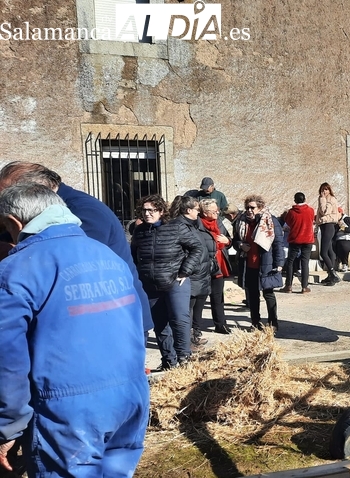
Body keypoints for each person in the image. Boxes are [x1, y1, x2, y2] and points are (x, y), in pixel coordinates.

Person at [0, 183, 149, 476]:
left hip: (69, 412)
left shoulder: (16, 269)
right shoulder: (107, 256)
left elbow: (7, 360)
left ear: (15, 223)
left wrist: (8, 427)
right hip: (131, 398)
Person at [0, 161, 154, 334]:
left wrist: (12, 253)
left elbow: (73, 266)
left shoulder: (84, 210)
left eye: (6, 197)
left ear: (32, 191)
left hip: (114, 317)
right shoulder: (38, 211)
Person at [132, 194, 204, 371]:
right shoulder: (140, 232)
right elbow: (133, 255)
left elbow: (197, 248)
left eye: (152, 210)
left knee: (180, 319)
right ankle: (169, 361)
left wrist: (185, 271)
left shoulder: (176, 228)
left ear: (161, 211)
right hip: (150, 285)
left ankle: (184, 358)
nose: (147, 214)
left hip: (175, 282)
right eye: (144, 210)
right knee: (160, 324)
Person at [232, 195, 285, 331]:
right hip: (249, 264)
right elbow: (235, 240)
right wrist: (241, 246)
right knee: (253, 296)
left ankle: (273, 323)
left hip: (266, 263)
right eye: (247, 207)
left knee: (268, 294)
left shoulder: (270, 221)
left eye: (252, 207)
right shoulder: (241, 222)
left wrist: (279, 263)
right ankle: (255, 322)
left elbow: (278, 243)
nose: (249, 210)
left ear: (260, 207)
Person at [170, 196, 215, 346]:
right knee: (187, 311)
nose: (199, 212)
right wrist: (186, 271)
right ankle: (186, 342)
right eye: (196, 209)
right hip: (192, 274)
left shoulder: (195, 224)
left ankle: (195, 335)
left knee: (197, 310)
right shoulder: (181, 226)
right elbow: (187, 252)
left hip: (201, 273)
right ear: (188, 210)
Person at [200, 198, 233, 334]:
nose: (217, 212)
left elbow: (229, 240)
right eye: (214, 210)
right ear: (205, 212)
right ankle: (195, 328)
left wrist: (227, 241)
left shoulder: (218, 222)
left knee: (218, 296)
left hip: (219, 264)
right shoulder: (197, 224)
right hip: (203, 265)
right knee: (200, 298)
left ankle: (221, 324)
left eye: (217, 210)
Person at [284, 192, 316, 294]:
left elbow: (288, 222)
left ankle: (288, 286)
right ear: (305, 199)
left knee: (290, 262)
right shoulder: (311, 210)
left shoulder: (291, 212)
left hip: (295, 239)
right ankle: (304, 287)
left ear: (295, 200)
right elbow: (312, 220)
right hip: (308, 239)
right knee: (305, 262)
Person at [316, 182, 342, 285]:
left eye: (326, 189)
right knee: (330, 250)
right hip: (324, 226)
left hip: (329, 225)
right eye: (322, 189)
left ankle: (333, 274)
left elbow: (324, 211)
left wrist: (322, 199)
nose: (324, 192)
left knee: (323, 252)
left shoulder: (331, 199)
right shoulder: (324, 198)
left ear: (329, 190)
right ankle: (330, 275)